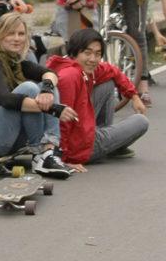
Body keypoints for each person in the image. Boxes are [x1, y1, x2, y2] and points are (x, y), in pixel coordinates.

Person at [0, 13, 74, 177]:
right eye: (10, 33)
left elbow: (49, 73)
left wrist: (48, 90)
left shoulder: (15, 61)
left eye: (21, 34)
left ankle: (49, 151)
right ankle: (39, 152)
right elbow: (5, 99)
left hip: (11, 138)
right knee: (29, 88)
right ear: (0, 35)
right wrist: (54, 109)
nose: (16, 38)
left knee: (46, 86)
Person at [46, 28, 150, 170]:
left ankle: (105, 140)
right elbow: (62, 122)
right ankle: (106, 147)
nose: (93, 59)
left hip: (83, 131)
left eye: (97, 54)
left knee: (107, 82)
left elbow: (113, 71)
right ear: (74, 52)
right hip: (79, 148)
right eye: (87, 53)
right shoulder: (69, 77)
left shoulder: (77, 66)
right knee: (141, 121)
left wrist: (134, 95)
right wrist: (63, 158)